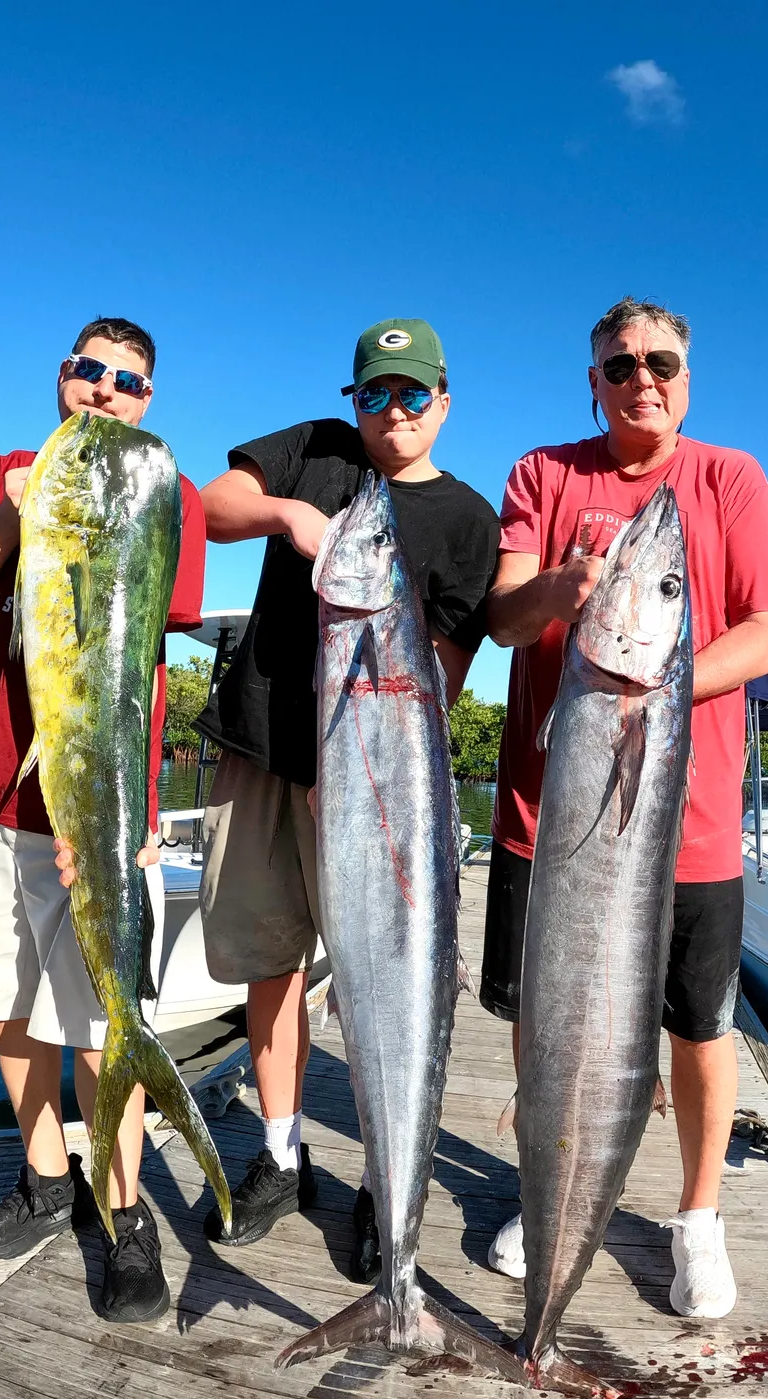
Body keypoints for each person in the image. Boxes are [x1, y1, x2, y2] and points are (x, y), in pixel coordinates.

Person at [479, 296, 768, 1319]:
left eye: (660, 363)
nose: (641, 379)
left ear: (686, 379)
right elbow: (502, 616)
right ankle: (547, 1187)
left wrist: (655, 677)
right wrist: (563, 591)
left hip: (687, 830)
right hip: (546, 818)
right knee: (542, 1016)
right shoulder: (543, 473)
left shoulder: (730, 478)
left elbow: (761, 636)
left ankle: (697, 1218)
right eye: (620, 365)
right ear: (594, 383)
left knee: (698, 1027)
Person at [0, 315, 205, 1324]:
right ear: (61, 375)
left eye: (129, 380)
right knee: (6, 1001)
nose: (105, 389)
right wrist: (11, 517)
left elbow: (138, 655)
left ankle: (124, 1212)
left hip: (90, 819)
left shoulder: (165, 490)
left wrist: (136, 810)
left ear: (148, 401)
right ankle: (43, 1177)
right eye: (89, 369)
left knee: (101, 1024)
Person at [190, 318, 499, 1279]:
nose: (393, 410)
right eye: (375, 392)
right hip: (260, 753)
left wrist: (369, 776)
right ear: (352, 400)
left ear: (443, 400)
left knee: (381, 980)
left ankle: (383, 1178)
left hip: (374, 785)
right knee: (268, 964)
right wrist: (288, 515)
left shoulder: (468, 520)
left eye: (412, 392)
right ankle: (279, 1156)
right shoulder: (317, 452)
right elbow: (212, 507)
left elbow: (445, 677)